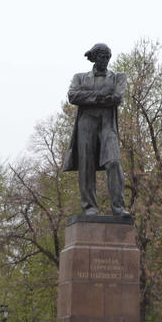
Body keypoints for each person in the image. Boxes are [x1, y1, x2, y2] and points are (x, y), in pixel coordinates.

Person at [62, 43, 131, 218]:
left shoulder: (118, 77)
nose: (105, 60)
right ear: (94, 57)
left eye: (108, 57)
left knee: (114, 162)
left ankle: (118, 207)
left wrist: (88, 97)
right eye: (102, 57)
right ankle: (89, 208)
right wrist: (100, 97)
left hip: (108, 123)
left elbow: (117, 97)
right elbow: (72, 96)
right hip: (86, 123)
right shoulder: (79, 77)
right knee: (86, 165)